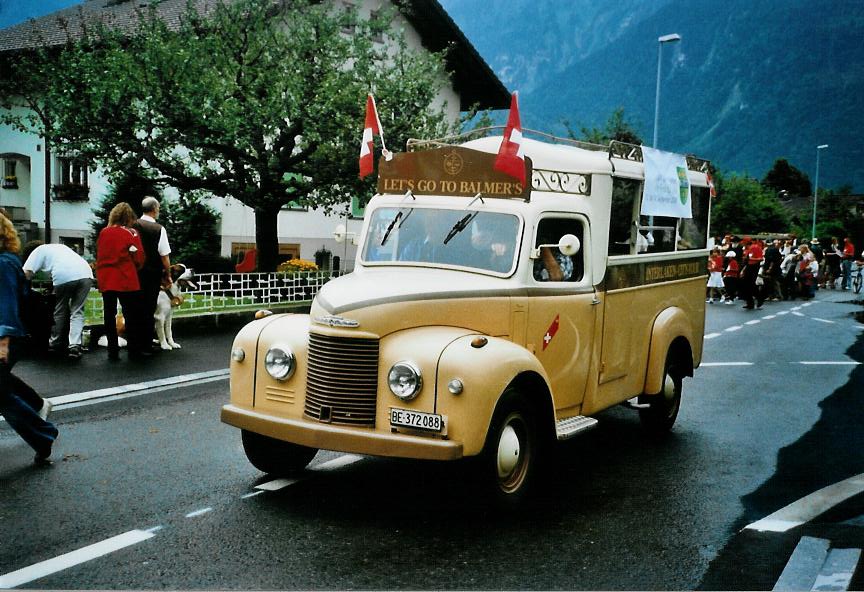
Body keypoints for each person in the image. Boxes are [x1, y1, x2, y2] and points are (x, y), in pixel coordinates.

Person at [0, 213, 60, 465]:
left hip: (8, 336)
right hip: (11, 334)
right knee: (2, 384)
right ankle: (37, 406)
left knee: (1, 394)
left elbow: (7, 304)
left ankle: (42, 434)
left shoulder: (3, 263)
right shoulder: (9, 261)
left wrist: (3, 342)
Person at [21, 241, 94, 358]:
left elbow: (26, 273)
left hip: (63, 275)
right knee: (77, 311)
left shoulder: (37, 251)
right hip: (86, 273)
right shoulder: (59, 247)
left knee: (60, 309)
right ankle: (74, 345)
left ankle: (55, 343)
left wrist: (23, 289)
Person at [96, 203, 146, 360]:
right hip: (126, 278)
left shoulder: (104, 232)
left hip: (106, 278)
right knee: (131, 314)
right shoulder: (132, 233)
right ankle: (134, 349)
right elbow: (139, 258)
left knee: (109, 314)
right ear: (129, 218)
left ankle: (113, 350)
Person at [134, 197, 172, 351]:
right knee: (149, 307)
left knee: (135, 306)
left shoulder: (133, 225)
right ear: (155, 209)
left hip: (135, 272)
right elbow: (164, 255)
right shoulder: (159, 229)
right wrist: (168, 273)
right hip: (152, 273)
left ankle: (135, 339)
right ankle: (146, 342)